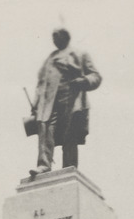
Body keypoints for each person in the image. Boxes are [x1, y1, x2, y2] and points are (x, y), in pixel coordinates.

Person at [29, 28, 102, 176]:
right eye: (53, 37)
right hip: (49, 102)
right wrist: (36, 103)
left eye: (57, 37)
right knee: (45, 129)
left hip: (71, 100)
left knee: (70, 134)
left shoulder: (80, 54)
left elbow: (95, 76)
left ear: (66, 37)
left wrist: (84, 80)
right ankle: (43, 164)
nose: (54, 40)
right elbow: (41, 82)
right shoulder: (50, 59)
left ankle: (69, 166)